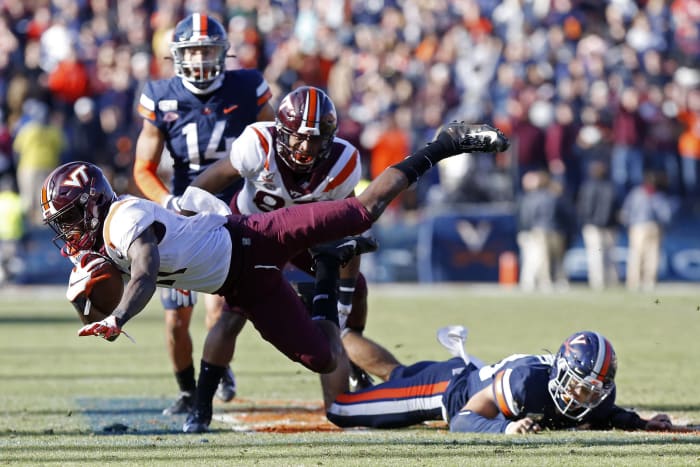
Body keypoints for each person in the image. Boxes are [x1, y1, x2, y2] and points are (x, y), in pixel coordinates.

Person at [39, 120, 508, 432]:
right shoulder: (100, 240)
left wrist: (117, 317)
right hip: (241, 284)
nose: (67, 232)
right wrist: (87, 301)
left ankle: (444, 143)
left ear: (91, 205)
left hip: (255, 237)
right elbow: (100, 290)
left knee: (363, 212)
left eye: (68, 218)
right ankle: (327, 268)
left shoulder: (121, 219)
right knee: (323, 359)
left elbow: (142, 273)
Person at [185, 85, 377, 428]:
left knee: (356, 288)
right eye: (299, 137)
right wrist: (186, 222)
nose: (306, 147)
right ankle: (201, 408)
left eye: (316, 139)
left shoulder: (344, 162)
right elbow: (208, 183)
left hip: (304, 240)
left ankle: (353, 359)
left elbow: (348, 228)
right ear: (282, 131)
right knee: (231, 316)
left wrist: (343, 301)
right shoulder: (258, 144)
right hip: (252, 237)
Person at [131, 12, 275, 416]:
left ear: (223, 53)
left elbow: (274, 141)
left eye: (207, 50)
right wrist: (167, 202)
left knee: (217, 305)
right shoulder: (161, 95)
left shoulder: (247, 86)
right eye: (192, 50)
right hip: (183, 212)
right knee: (177, 317)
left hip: (233, 211)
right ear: (177, 56)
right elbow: (142, 168)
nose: (199, 58)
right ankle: (185, 388)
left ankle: (217, 366)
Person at [327, 328, 685, 434]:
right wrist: (504, 431)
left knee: (397, 375)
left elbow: (607, 414)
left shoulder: (595, 394)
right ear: (562, 371)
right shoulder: (525, 382)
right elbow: (465, 420)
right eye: (579, 385)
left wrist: (641, 423)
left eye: (592, 390)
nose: (583, 396)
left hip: (469, 378)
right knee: (341, 411)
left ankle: (338, 333)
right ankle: (328, 330)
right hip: (444, 393)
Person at [619, 171, 677, 291]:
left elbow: (626, 212)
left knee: (638, 254)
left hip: (639, 226)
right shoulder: (657, 195)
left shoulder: (636, 193)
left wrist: (628, 223)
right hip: (652, 226)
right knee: (652, 255)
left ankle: (635, 282)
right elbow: (665, 215)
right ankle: (648, 281)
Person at [577, 161, 619, 290]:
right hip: (609, 227)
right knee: (609, 256)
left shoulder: (587, 187)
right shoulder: (611, 186)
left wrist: (586, 220)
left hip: (593, 226)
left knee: (595, 255)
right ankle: (611, 281)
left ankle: (598, 282)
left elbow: (584, 208)